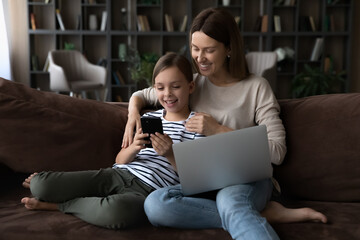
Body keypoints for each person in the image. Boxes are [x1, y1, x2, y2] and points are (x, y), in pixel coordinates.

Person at [122, 7, 327, 240]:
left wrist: (218, 130)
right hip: (204, 180)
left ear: (229, 49)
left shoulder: (256, 87)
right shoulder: (191, 84)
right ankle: (259, 214)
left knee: (230, 200)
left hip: (245, 178)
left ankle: (242, 210)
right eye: (195, 48)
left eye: (209, 50)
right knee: (156, 204)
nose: (199, 58)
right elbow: (144, 94)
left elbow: (277, 152)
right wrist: (132, 114)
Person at [21, 52, 204, 229]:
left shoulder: (198, 125)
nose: (167, 94)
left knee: (116, 212)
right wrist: (134, 147)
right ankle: (67, 199)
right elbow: (119, 160)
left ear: (190, 87)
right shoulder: (150, 118)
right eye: (160, 87)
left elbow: (196, 179)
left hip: (148, 191)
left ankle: (61, 206)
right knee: (40, 185)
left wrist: (171, 154)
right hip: (116, 175)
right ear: (154, 89)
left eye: (175, 86)